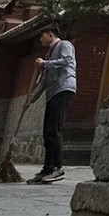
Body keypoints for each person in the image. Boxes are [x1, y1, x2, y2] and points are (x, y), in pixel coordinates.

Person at [26, 27, 77, 184]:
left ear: (50, 35)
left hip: (63, 88)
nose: (40, 40)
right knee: (47, 131)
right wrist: (32, 98)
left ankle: (58, 167)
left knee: (54, 130)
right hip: (52, 92)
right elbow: (44, 80)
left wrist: (46, 63)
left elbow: (68, 61)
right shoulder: (48, 54)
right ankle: (47, 168)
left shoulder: (64, 45)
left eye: (42, 36)